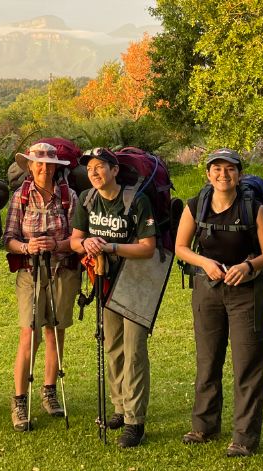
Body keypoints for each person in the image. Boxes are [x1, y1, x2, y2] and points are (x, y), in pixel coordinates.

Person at [174, 148, 263, 457]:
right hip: (207, 288)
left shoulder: (254, 209)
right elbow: (180, 246)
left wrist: (248, 267)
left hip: (246, 292)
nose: (223, 174)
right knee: (208, 359)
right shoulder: (196, 206)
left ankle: (244, 437)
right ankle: (204, 426)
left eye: (229, 169)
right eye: (216, 169)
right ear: (208, 174)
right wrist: (204, 263)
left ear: (239, 174)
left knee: (248, 362)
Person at [69, 148, 157, 448]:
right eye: (90, 168)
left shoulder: (136, 201)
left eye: (100, 167)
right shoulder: (86, 199)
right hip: (104, 281)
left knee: (134, 351)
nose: (94, 173)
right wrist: (87, 242)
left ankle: (135, 420)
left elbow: (148, 247)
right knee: (113, 346)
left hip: (135, 282)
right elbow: (75, 240)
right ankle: (119, 406)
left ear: (115, 170)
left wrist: (110, 248)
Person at [2, 142, 80, 431]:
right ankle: (20, 400)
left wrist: (57, 244)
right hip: (29, 272)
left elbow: (76, 239)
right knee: (29, 332)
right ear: (30, 167)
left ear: (57, 167)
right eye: (39, 163)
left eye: (49, 164)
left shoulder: (68, 196)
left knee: (55, 331)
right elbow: (7, 237)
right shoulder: (20, 197)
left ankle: (49, 391)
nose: (44, 168)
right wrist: (26, 247)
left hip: (62, 270)